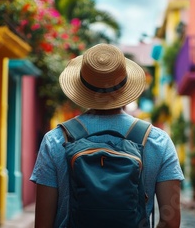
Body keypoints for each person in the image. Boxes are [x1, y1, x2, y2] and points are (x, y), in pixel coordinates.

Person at [30, 43, 184, 228]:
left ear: (81, 87)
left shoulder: (55, 140)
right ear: (125, 86)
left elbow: (43, 224)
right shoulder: (157, 141)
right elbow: (171, 222)